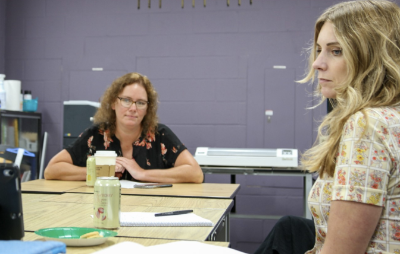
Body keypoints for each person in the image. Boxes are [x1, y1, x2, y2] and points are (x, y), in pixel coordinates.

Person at [254, 1, 400, 253]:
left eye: (336, 51)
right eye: (319, 49)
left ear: (370, 57)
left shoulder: (368, 125)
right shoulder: (391, 115)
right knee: (288, 228)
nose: (317, 63)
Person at [44, 72, 204, 183]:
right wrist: (100, 172)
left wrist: (142, 173)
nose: (133, 108)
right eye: (126, 100)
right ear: (114, 102)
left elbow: (195, 174)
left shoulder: (159, 135)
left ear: (147, 108)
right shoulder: (96, 135)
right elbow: (52, 170)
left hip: (151, 211)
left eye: (140, 103)